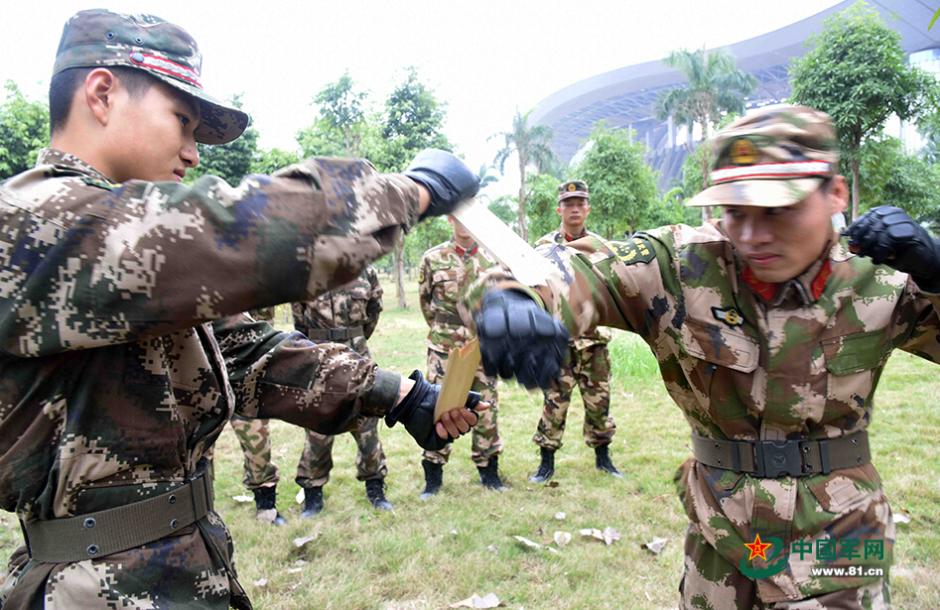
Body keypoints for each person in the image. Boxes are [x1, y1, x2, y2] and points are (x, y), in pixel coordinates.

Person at [0, 9, 483, 609]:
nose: (193, 152)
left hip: (175, 570)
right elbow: (234, 234)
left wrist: (396, 394)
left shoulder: (114, 244)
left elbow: (242, 354)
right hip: (88, 590)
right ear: (102, 93)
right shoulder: (30, 222)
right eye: (183, 121)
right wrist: (410, 192)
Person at [468, 104, 939, 609]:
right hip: (723, 539)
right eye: (736, 212)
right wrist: (513, 300)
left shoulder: (882, 275)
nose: (754, 235)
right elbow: (573, 269)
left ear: (835, 193)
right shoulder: (683, 265)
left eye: (779, 210)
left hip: (841, 537)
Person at [530, 180, 619, 483]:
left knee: (599, 401)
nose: (575, 208)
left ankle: (603, 458)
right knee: (554, 401)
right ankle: (546, 463)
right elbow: (534, 291)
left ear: (588, 208)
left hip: (594, 339)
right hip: (558, 342)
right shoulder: (542, 248)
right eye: (569, 204)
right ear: (560, 209)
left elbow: (615, 289)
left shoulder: (600, 248)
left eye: (580, 203)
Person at [291, 266, 393, 515]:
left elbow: (374, 309)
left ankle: (375, 488)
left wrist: (355, 338)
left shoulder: (366, 270)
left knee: (367, 423)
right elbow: (299, 317)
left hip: (357, 354)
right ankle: (313, 495)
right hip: (319, 355)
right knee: (317, 427)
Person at [417, 215, 504, 497]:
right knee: (439, 407)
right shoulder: (432, 259)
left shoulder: (495, 259)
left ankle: (489, 471)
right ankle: (433, 476)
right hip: (444, 349)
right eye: (459, 216)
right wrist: (447, 332)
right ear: (450, 218)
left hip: (484, 346)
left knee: (486, 408)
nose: (466, 223)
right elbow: (427, 305)